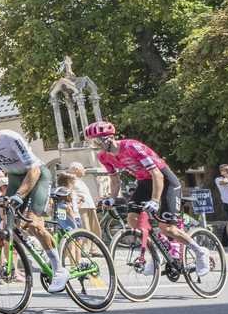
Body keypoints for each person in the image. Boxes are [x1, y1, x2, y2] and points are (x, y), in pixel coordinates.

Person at [84, 120, 210, 280]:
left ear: (108, 137)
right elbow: (115, 180)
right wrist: (112, 198)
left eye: (97, 141)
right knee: (133, 219)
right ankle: (158, 251)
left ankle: (200, 251)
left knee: (168, 228)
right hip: (145, 182)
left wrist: (155, 201)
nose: (96, 146)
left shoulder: (131, 147)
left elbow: (157, 174)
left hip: (165, 180)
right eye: (93, 143)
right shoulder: (103, 156)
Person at [0, 106, 73, 292]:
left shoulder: (10, 138)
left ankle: (59, 269)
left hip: (37, 176)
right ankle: (34, 243)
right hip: (15, 178)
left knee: (33, 222)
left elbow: (34, 169)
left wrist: (19, 195)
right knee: (8, 221)